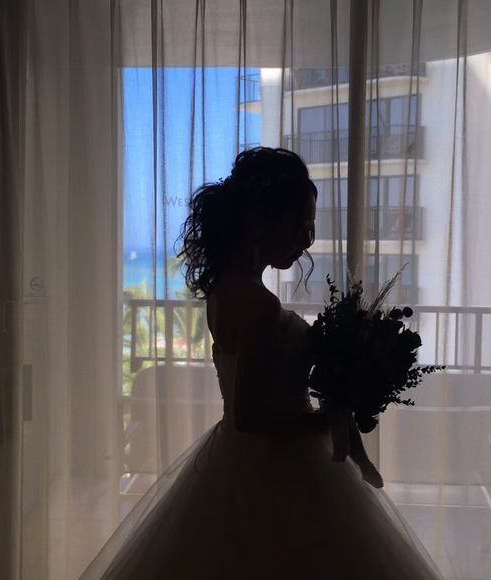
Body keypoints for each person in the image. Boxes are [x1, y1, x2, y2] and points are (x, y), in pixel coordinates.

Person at [82, 147, 442, 579]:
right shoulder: (257, 303)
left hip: (242, 462)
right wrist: (328, 416)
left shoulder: (225, 289)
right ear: (258, 221)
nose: (307, 239)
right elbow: (251, 417)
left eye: (310, 226)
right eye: (300, 223)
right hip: (276, 470)